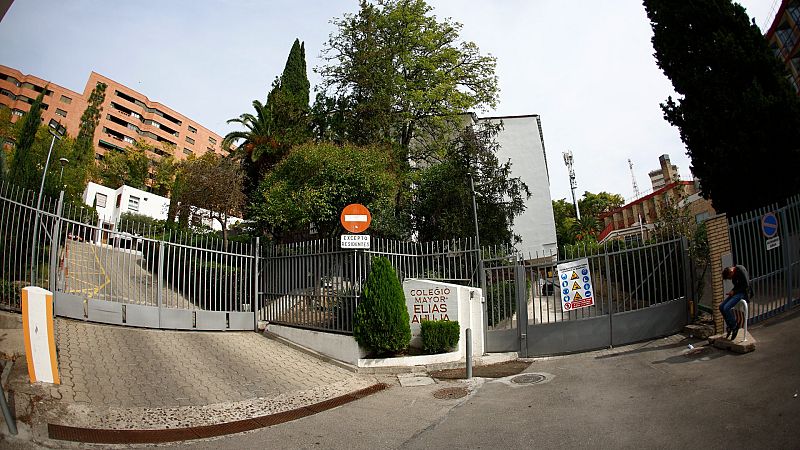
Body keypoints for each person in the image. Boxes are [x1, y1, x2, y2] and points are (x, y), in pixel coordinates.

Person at [720, 265, 750, 340]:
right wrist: (732, 291)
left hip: (743, 293)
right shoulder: (733, 274)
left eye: (730, 277)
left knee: (726, 308)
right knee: (721, 307)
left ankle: (734, 326)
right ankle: (730, 326)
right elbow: (737, 285)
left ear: (731, 272)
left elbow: (746, 285)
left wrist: (734, 291)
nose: (730, 279)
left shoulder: (741, 270)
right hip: (737, 292)